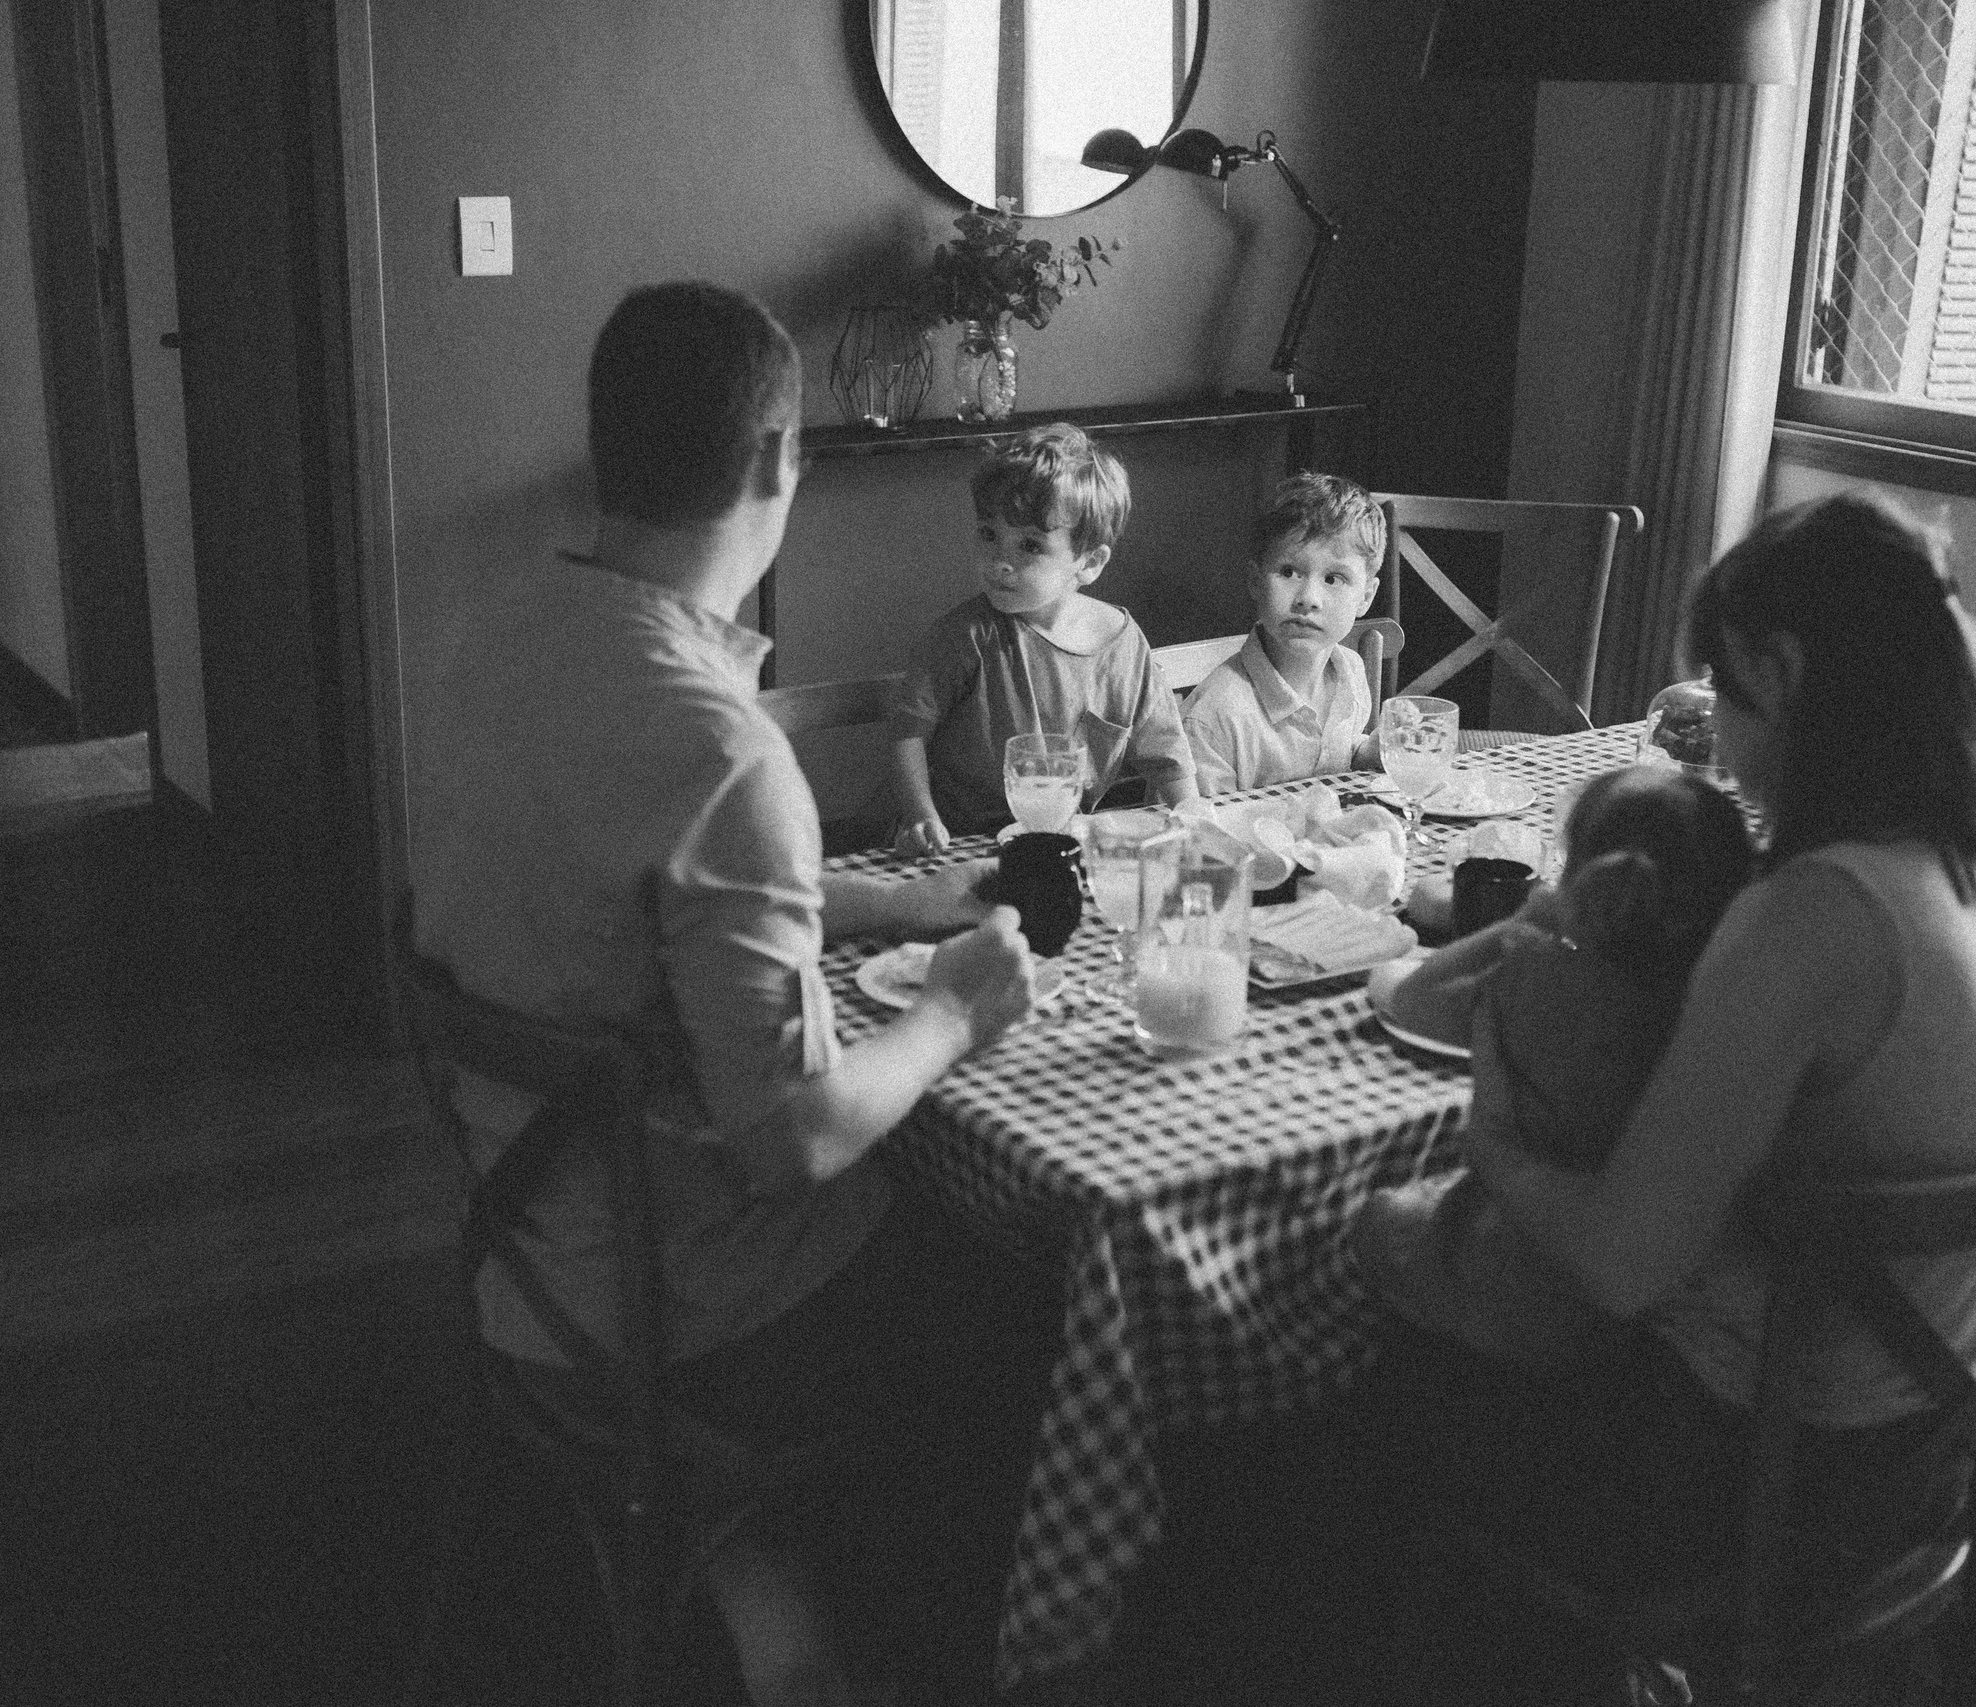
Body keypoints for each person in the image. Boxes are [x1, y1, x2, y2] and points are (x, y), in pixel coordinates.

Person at [410, 281, 1046, 1704]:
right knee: (1026, 1264)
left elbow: (633, 906)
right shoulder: (720, 746)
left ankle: (768, 1594)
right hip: (682, 1325)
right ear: (775, 464)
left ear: (604, 451)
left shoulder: (488, 648)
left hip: (526, 1272)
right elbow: (796, 1139)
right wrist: (953, 1007)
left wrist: (901, 897)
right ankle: (989, 1631)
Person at [1351, 489, 1976, 1697]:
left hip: (1761, 1485)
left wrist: (1493, 1144)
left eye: (1719, 690)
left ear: (1778, 670)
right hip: (1926, 1454)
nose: (1710, 731)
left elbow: (1619, 1264)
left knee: (1359, 1348)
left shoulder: (1813, 916)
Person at [1352, 765, 1752, 1369]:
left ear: (1587, 878)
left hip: (1521, 1270)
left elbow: (1408, 1001)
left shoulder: (1542, 980)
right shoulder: (1723, 994)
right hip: (1658, 1296)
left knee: (1377, 1218)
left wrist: (1529, 916)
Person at [886, 422, 1196, 850]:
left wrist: (1194, 823)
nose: (1001, 562)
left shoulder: (1123, 644)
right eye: (989, 534)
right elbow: (907, 732)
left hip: (1062, 842)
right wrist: (920, 815)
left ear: (1088, 563)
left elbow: (1168, 759)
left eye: (1030, 546)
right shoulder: (966, 635)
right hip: (960, 844)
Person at [1181, 472, 1387, 795]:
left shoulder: (1351, 671)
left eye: (1333, 579)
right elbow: (1199, 834)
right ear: (1255, 581)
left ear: (1366, 597)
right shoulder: (1214, 719)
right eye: (1289, 572)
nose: (1308, 598)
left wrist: (1365, 754)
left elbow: (1336, 758)